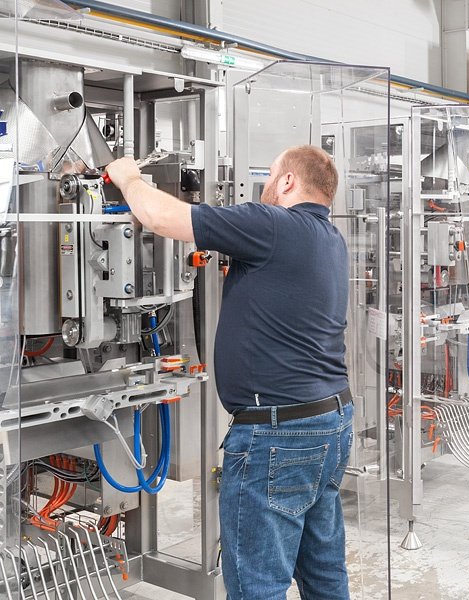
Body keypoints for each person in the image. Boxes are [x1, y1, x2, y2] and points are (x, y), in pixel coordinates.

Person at [106, 145, 353, 599]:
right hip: (330, 424)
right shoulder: (330, 239)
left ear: (288, 183)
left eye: (270, 174)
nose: (263, 186)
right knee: (324, 574)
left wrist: (128, 179)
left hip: (277, 435)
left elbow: (161, 219)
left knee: (257, 585)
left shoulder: (274, 224)